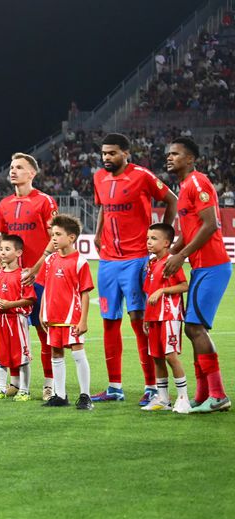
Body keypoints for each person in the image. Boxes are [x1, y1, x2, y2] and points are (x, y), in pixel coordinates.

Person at [91, 133, 177, 404]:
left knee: (140, 322)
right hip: (107, 261)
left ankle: (152, 386)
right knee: (109, 322)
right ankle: (115, 387)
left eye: (112, 153)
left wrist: (164, 234)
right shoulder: (98, 178)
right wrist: (97, 233)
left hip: (137, 259)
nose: (107, 158)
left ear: (126, 153)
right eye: (104, 153)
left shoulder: (142, 176)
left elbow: (172, 199)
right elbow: (104, 208)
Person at [163, 136, 231, 413]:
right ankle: (204, 396)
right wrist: (167, 254)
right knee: (191, 329)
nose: (170, 157)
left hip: (213, 265)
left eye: (176, 154)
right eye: (168, 154)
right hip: (201, 266)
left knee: (194, 328)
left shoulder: (197, 182)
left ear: (190, 159)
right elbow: (189, 232)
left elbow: (211, 224)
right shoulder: (184, 187)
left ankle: (218, 395)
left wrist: (180, 256)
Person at [0, 153, 59, 400]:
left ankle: (49, 383)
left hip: (41, 275)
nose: (13, 171)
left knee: (44, 331)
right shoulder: (5, 204)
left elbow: (55, 238)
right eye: (12, 167)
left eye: (19, 167)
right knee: (12, 330)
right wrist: (0, 268)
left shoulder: (44, 201)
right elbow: (4, 239)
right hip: (13, 278)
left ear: (32, 173)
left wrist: (36, 268)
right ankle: (14, 382)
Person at [37, 214, 94, 410]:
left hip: (72, 317)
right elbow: (46, 288)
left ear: (71, 238)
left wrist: (84, 320)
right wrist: (42, 313)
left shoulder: (80, 261)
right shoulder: (50, 260)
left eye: (58, 234)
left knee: (78, 354)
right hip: (52, 316)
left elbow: (85, 293)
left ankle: (85, 396)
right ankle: (60, 395)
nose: (53, 238)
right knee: (56, 353)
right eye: (53, 234)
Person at [141, 222, 190, 413]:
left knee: (171, 356)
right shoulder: (151, 263)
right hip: (153, 317)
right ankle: (162, 398)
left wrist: (163, 290)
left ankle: (183, 398)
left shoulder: (171, 261)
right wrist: (146, 317)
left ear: (167, 242)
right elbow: (148, 292)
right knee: (157, 358)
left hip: (169, 315)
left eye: (154, 239)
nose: (149, 242)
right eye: (147, 238)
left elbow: (184, 286)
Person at [0, 234, 37, 401]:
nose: (2, 252)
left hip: (17, 320)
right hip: (1, 320)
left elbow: (30, 298)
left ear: (18, 253)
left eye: (7, 249)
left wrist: (10, 304)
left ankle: (24, 390)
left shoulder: (23, 275)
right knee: (1, 355)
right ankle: (1, 388)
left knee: (22, 356)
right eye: (1, 249)